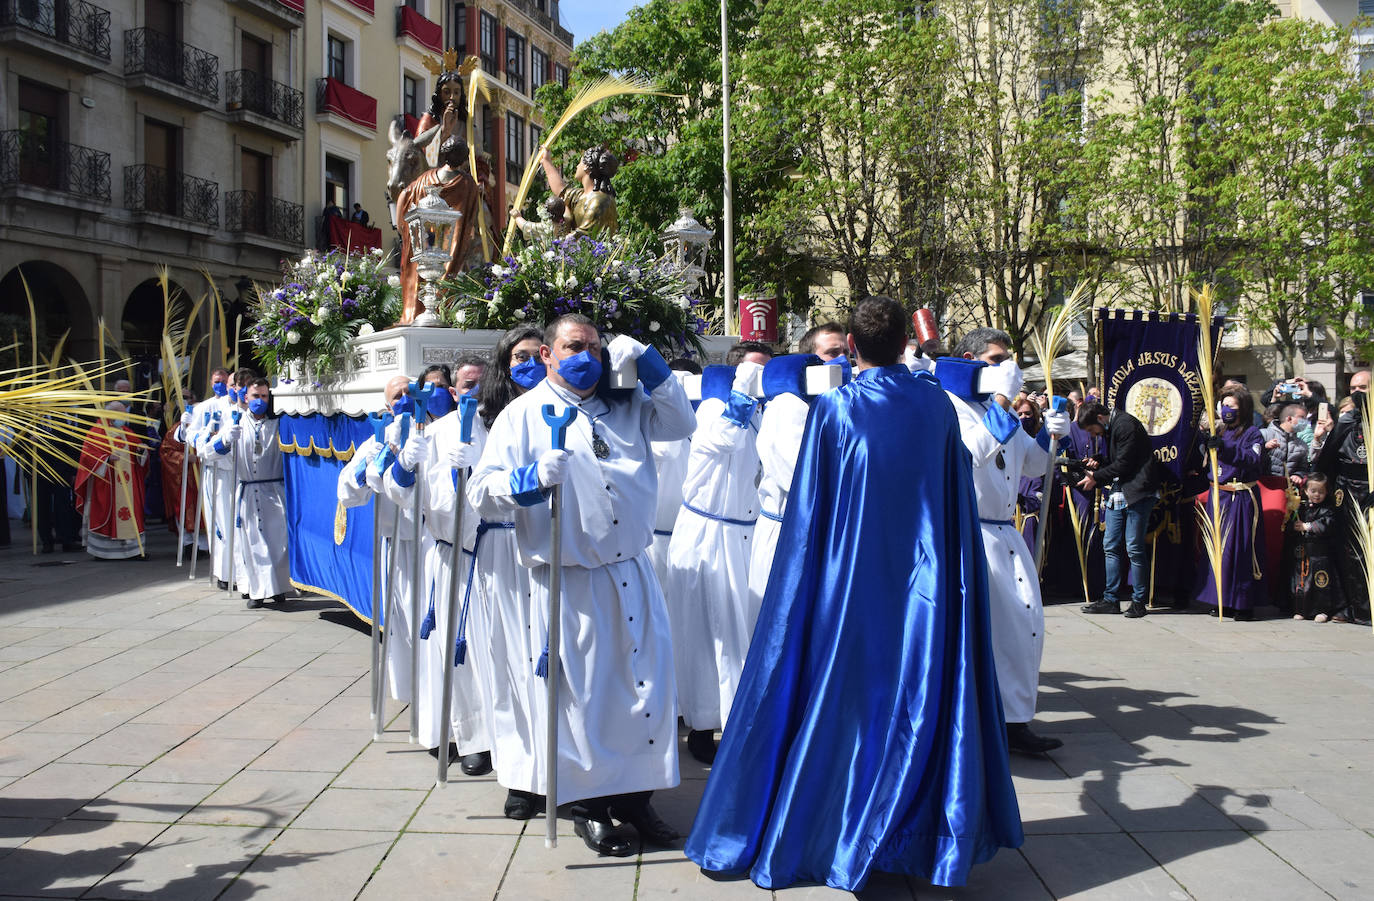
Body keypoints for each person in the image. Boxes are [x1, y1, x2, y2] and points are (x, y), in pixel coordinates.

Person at [685, 296, 1022, 891]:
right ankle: (915, 832)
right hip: (928, 584)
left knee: (846, 702)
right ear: (902, 345)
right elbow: (954, 496)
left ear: (855, 350)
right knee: (919, 699)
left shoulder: (837, 408)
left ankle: (833, 828)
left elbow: (810, 507)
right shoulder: (938, 405)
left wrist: (802, 583)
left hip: (850, 581)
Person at [468, 313, 694, 857]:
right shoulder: (522, 417)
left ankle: (637, 798)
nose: (585, 356)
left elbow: (681, 424)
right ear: (546, 354)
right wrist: (528, 481)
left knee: (646, 690)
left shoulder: (628, 405)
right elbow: (481, 492)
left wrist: (651, 363)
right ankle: (591, 807)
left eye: (594, 347)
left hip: (631, 570)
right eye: (573, 346)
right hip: (571, 580)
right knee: (588, 695)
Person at [943, 327, 1069, 754]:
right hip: (971, 531)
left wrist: (1052, 434)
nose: (1006, 368)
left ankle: (1014, 718)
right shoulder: (952, 406)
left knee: (1023, 627)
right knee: (989, 633)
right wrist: (1001, 401)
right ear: (971, 358)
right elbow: (969, 454)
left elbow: (1034, 466)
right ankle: (986, 723)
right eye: (996, 360)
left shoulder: (1003, 412)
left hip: (1005, 530)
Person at [664, 343, 772, 765]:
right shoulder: (714, 406)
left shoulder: (767, 412)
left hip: (746, 532)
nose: (759, 379)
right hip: (708, 529)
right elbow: (721, 441)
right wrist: (742, 388)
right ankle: (703, 723)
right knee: (708, 634)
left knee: (742, 632)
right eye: (751, 371)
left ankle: (740, 719)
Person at [380, 377, 492, 772]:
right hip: (451, 553)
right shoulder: (433, 433)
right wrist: (405, 462)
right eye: (463, 384)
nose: (469, 392)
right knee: (456, 653)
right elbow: (401, 493)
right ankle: (471, 735)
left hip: (503, 558)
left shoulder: (501, 424)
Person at [472, 325, 549, 818]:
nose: (526, 365)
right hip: (502, 544)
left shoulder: (573, 408)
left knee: (548, 662)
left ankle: (557, 764)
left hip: (551, 548)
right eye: (516, 358)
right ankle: (521, 773)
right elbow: (480, 491)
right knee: (509, 658)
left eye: (533, 355)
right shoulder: (485, 418)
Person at [338, 376, 421, 709]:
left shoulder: (439, 429)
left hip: (439, 542)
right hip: (401, 544)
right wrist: (377, 459)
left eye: (408, 392)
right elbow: (348, 491)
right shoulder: (378, 439)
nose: (403, 399)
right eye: (396, 395)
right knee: (407, 626)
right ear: (388, 406)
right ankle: (416, 695)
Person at [1076, 401, 1163, 617]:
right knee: (1111, 545)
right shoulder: (1112, 427)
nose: (1094, 435)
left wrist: (1095, 477)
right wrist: (1099, 461)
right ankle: (1110, 599)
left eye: (1091, 430)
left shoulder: (1125, 425)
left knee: (1133, 547)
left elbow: (1125, 464)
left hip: (1138, 491)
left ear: (1099, 418)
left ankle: (1138, 600)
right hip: (1119, 491)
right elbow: (1116, 459)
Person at [210, 378, 289, 608]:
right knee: (252, 543)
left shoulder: (277, 424)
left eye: (264, 396)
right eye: (256, 396)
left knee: (277, 541)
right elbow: (209, 451)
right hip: (248, 489)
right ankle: (256, 591)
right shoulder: (235, 423)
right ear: (246, 397)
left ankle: (278, 588)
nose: (260, 401)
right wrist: (225, 440)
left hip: (274, 490)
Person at [1194, 387, 1268, 620]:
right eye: (1224, 405)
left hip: (1240, 497)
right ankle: (1219, 598)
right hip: (1219, 496)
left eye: (1232, 406)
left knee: (1239, 551)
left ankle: (1242, 602)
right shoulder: (1221, 431)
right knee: (1218, 550)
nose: (1226, 410)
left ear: (1243, 408)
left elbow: (1253, 459)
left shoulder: (1253, 433)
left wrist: (1225, 448)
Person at [395, 137, 482, 324]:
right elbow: (469, 221)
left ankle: (413, 315)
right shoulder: (467, 184)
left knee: (418, 273)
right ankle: (442, 315)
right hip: (449, 243)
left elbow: (403, 194)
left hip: (421, 241)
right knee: (444, 278)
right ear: (464, 159)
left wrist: (402, 226)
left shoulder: (426, 178)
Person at [1314, 372, 1372, 625]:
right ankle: (1354, 607)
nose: (1358, 392)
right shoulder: (1346, 420)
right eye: (1353, 388)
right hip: (1347, 493)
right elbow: (1326, 461)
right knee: (1349, 553)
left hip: (1370, 492)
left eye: (1364, 387)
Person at [73, 402, 149, 559]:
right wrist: (106, 458)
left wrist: (141, 450)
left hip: (128, 484)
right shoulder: (97, 432)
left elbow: (137, 449)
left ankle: (133, 551)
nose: (124, 418)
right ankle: (102, 552)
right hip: (107, 483)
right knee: (106, 512)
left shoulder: (126, 431)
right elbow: (87, 456)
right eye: (121, 415)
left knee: (130, 513)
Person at [1289, 473, 1342, 622]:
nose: (1317, 495)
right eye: (1313, 491)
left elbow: (1328, 524)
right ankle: (1302, 609)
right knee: (1301, 583)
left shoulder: (1328, 509)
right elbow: (1290, 524)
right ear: (1306, 490)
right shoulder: (1300, 507)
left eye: (1321, 492)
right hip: (1303, 553)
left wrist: (1307, 526)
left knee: (1321, 583)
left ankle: (1322, 610)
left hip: (1320, 554)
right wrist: (1293, 524)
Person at [534, 147, 619, 238]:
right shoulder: (580, 195)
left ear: (586, 167)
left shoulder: (599, 200)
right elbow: (561, 190)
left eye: (580, 162)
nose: (577, 166)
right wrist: (546, 161)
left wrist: (558, 242)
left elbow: (584, 234)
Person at [161, 389, 199, 552]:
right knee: (186, 507)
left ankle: (205, 545)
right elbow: (165, 451)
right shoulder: (176, 429)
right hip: (185, 478)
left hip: (205, 476)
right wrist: (184, 458)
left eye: (187, 397)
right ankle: (190, 544)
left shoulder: (210, 427)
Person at [1263, 403, 1310, 481]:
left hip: (1287, 487)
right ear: (1289, 419)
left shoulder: (1302, 445)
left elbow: (1303, 468)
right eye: (1302, 418)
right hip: (1264, 485)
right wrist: (1265, 448)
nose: (1305, 422)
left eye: (1306, 419)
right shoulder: (1264, 435)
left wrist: (1298, 475)